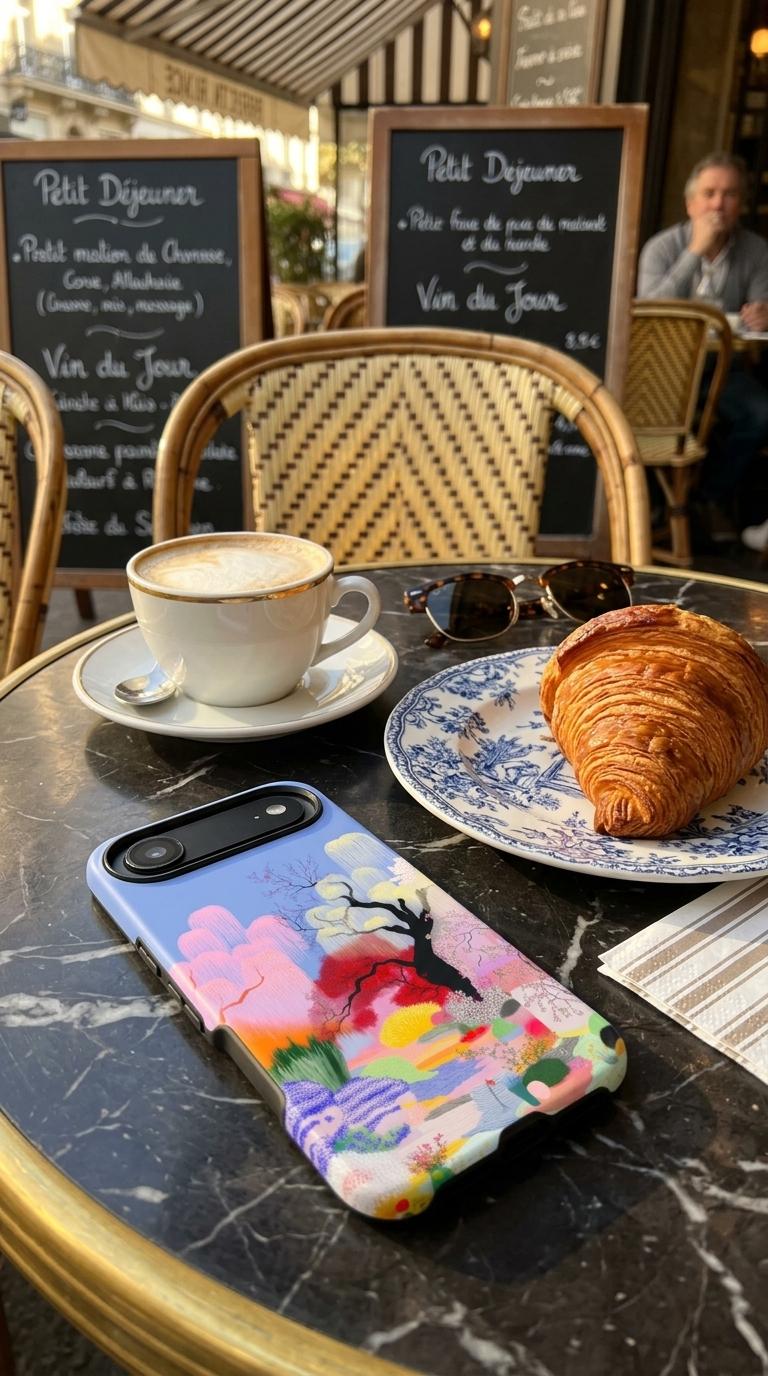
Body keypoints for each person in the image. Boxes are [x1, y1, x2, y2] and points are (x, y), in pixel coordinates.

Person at [636, 151, 768, 549]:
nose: (717, 204)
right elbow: (648, 312)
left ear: (741, 203)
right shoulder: (661, 248)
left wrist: (764, 315)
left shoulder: (756, 250)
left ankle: (709, 498)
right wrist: (695, 251)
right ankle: (655, 506)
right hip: (663, 374)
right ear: (690, 202)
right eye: (709, 193)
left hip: (723, 370)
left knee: (761, 413)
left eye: (728, 194)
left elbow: (761, 309)